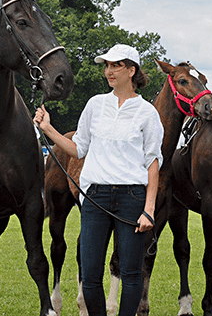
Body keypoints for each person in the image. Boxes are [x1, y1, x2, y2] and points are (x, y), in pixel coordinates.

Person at [34, 44, 164, 316]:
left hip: (132, 199)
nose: (109, 71)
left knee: (130, 274)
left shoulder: (147, 113)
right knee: (90, 274)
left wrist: (149, 210)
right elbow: (78, 148)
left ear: (132, 70)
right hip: (95, 198)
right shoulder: (95, 104)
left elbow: (153, 163)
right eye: (106, 66)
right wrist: (48, 128)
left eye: (115, 65)